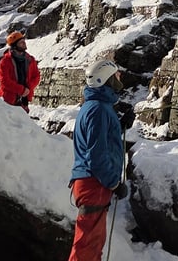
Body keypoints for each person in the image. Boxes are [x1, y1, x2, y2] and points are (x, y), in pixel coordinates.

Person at [68, 59, 127, 261]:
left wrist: (119, 124)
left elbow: (100, 142)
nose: (119, 77)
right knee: (87, 247)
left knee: (93, 245)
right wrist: (113, 183)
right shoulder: (98, 110)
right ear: (106, 79)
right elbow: (96, 155)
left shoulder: (97, 107)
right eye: (116, 74)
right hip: (94, 183)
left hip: (91, 182)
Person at [0, 31, 41, 113]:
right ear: (14, 46)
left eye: (24, 41)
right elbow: (4, 81)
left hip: (24, 100)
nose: (24, 44)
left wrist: (28, 88)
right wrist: (22, 90)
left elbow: (36, 76)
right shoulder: (5, 61)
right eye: (21, 43)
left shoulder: (30, 60)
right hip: (7, 100)